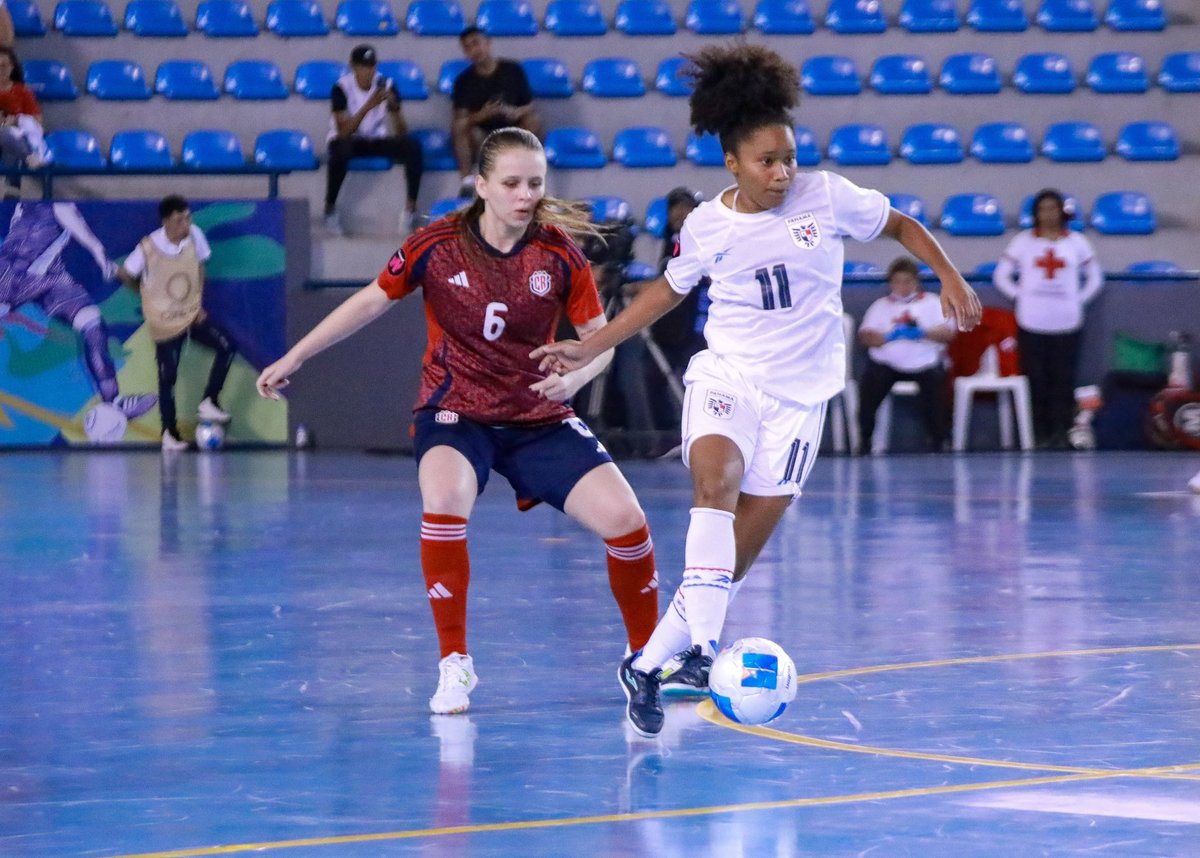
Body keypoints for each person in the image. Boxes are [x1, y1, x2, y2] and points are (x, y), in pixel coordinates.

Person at [533, 44, 982, 737]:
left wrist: (949, 275)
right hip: (730, 376)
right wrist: (591, 343)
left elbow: (900, 225)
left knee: (730, 561)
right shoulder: (707, 225)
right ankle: (706, 654)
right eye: (768, 161)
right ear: (733, 164)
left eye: (789, 158)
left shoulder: (827, 196)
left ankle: (649, 664)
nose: (782, 172)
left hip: (801, 399)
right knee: (716, 486)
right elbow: (661, 295)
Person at [257, 127, 661, 716]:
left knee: (628, 522)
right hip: (455, 412)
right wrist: (296, 355)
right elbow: (371, 299)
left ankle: (646, 659)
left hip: (537, 415)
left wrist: (573, 380)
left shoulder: (557, 254)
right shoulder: (438, 244)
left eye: (536, 183)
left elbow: (602, 340)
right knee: (444, 502)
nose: (526, 195)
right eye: (512, 183)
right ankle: (455, 664)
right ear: (482, 185)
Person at [0, 201, 157, 436]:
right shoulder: (41, 198)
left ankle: (113, 400)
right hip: (12, 272)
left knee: (91, 321)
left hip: (52, 277)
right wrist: (96, 249)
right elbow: (63, 210)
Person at [118, 195, 235, 451]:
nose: (186, 224)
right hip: (164, 321)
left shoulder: (195, 235)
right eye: (179, 220)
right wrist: (143, 292)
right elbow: (125, 273)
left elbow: (201, 265)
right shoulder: (148, 247)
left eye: (188, 218)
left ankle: (209, 400)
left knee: (226, 347)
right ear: (166, 223)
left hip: (192, 313)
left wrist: (198, 301)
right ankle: (169, 433)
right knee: (168, 376)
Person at [993, 189, 1103, 450]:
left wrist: (1078, 299)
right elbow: (1002, 276)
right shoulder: (1023, 241)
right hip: (1032, 320)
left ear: (1062, 212)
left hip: (1067, 320)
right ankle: (1037, 434)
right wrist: (1022, 297)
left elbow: (1095, 278)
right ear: (1035, 213)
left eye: (1053, 208)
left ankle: (1062, 431)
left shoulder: (1077, 242)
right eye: (1043, 209)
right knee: (1036, 378)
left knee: (1063, 379)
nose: (1048, 214)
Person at [856, 257, 955, 454]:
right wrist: (888, 337)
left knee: (937, 386)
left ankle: (939, 441)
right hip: (887, 363)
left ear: (916, 281)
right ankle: (864, 440)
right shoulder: (880, 306)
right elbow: (865, 337)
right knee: (869, 387)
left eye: (907, 281)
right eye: (897, 281)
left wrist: (923, 332)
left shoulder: (933, 303)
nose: (902, 286)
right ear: (891, 282)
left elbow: (949, 334)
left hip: (924, 362)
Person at [325, 44, 424, 237]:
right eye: (363, 66)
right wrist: (368, 106)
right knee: (340, 150)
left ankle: (410, 210)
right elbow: (343, 132)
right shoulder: (342, 87)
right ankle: (330, 208)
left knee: (412, 146)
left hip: (375, 138)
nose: (368, 71)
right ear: (353, 67)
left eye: (371, 66)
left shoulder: (387, 84)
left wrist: (394, 109)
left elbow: (402, 132)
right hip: (349, 139)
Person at [451, 26, 542, 197]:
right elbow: (460, 119)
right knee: (460, 126)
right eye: (467, 47)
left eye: (476, 43)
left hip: (513, 130)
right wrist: (482, 115)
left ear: (488, 43)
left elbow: (530, 106)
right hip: (482, 134)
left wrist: (515, 112)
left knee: (532, 119)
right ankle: (467, 181)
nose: (474, 50)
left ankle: (529, 172)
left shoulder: (513, 70)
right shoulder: (463, 81)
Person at [0, 47, 46, 196]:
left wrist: (16, 120)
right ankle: (28, 158)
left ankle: (11, 194)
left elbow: (37, 122)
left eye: (4, 65)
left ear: (12, 67)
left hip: (15, 137)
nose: (0, 70)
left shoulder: (22, 92)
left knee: (9, 138)